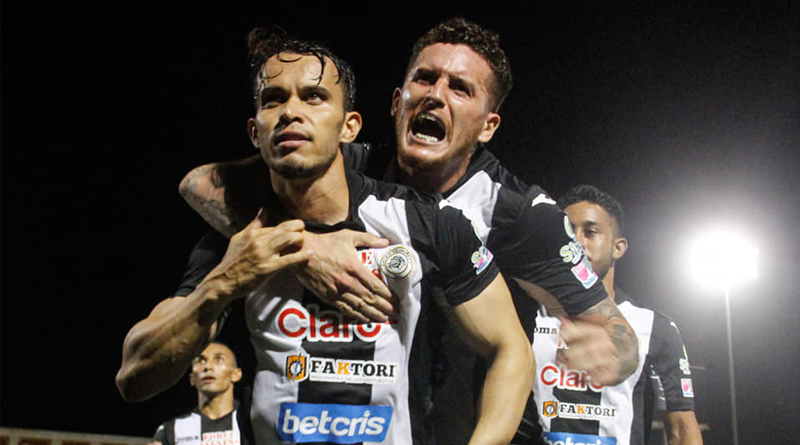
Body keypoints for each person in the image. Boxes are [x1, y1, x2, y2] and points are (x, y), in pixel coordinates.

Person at [178, 18, 640, 445]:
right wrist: (308, 249)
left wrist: (606, 350)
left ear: (487, 126)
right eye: (425, 78)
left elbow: (616, 339)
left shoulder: (521, 216)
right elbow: (200, 184)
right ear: (397, 101)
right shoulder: (350, 170)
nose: (435, 95)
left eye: (460, 88)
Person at [116, 28, 534, 445]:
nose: (290, 112)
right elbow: (134, 377)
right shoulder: (239, 242)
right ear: (254, 132)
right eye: (273, 99)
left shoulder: (426, 222)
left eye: (314, 97)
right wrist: (223, 283)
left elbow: (510, 350)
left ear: (349, 126)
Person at [529, 184, 702, 445]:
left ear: (618, 248)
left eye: (590, 232)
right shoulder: (524, 317)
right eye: (567, 230)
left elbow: (681, 429)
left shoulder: (655, 328)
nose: (576, 240)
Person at [151, 342, 248, 445]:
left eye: (219, 359)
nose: (208, 366)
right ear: (192, 378)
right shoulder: (173, 429)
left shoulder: (251, 423)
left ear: (236, 374)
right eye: (201, 360)